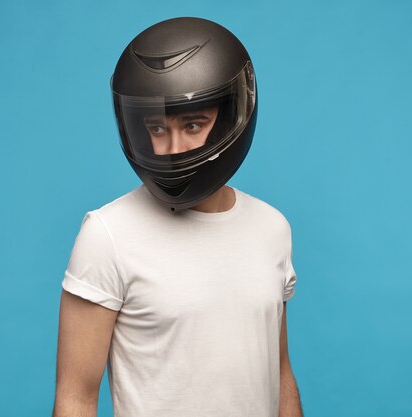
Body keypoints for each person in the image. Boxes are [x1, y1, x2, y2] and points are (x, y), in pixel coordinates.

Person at [52, 17, 302, 417]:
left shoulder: (272, 228)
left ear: (229, 118)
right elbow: (75, 398)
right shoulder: (107, 235)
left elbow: (279, 372)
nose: (172, 148)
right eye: (156, 127)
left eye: (192, 125)